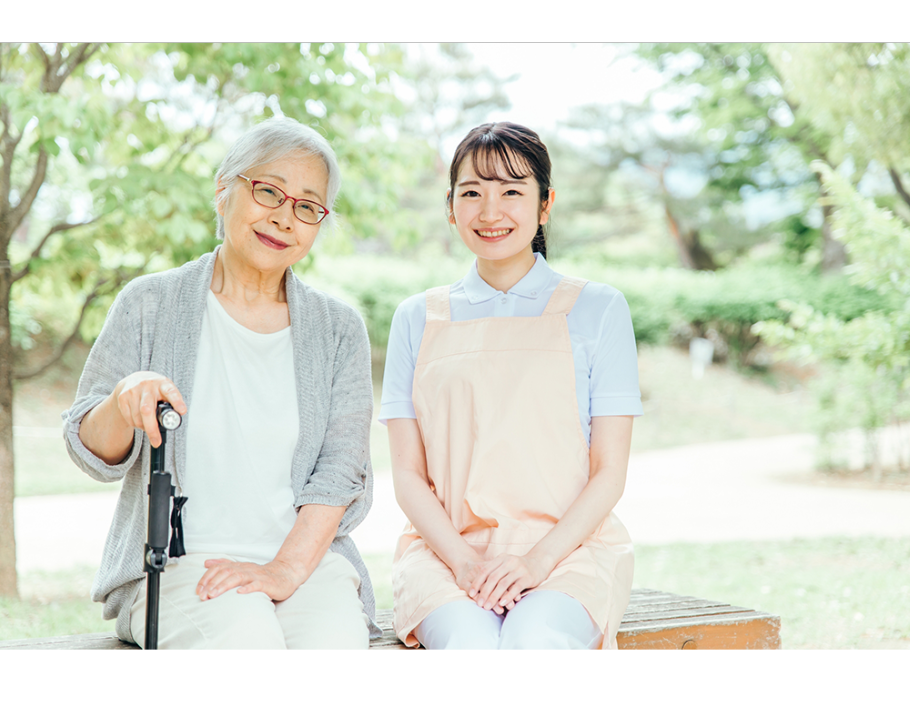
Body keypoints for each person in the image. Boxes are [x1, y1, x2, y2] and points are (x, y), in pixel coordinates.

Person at [62, 116, 379, 649]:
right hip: (179, 568)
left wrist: (283, 571)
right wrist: (122, 401)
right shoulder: (150, 304)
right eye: (268, 191)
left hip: (305, 567)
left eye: (307, 206)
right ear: (223, 189)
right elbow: (90, 452)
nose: (284, 217)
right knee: (246, 638)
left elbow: (340, 472)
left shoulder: (339, 330)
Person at [379, 122, 643, 650]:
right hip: (445, 555)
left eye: (511, 192)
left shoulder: (598, 308)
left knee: (537, 639)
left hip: (570, 553)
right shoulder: (416, 317)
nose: (490, 211)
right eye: (471, 193)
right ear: (450, 207)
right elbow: (407, 475)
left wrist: (536, 562)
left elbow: (609, 472)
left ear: (545, 205)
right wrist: (464, 562)